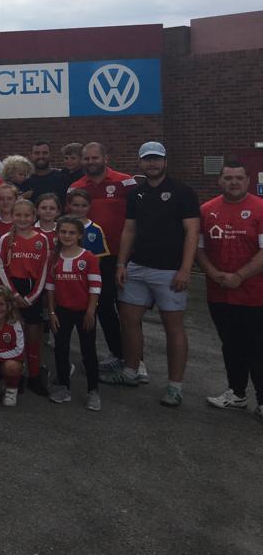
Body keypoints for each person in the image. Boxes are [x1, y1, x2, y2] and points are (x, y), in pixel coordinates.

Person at [111, 142, 200, 407]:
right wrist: (121, 264)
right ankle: (130, 371)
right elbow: (129, 231)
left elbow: (192, 233)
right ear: (140, 163)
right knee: (128, 320)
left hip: (170, 271)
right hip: (137, 267)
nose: (152, 164)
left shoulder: (183, 192)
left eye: (156, 160)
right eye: (147, 160)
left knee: (173, 328)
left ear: (165, 161)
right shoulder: (136, 194)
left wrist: (186, 269)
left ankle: (175, 386)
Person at [197, 159, 263, 419]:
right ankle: (236, 393)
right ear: (220, 180)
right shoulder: (207, 210)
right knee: (231, 345)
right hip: (219, 293)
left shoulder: (260, 209)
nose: (233, 182)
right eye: (228, 178)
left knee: (257, 346)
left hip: (254, 294)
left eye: (238, 178)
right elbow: (199, 248)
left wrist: (240, 275)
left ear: (247, 181)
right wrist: (213, 274)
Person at [68, 141, 137, 374]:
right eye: (86, 159)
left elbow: (136, 217)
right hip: (89, 258)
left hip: (120, 257)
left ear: (105, 158)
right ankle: (117, 353)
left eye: (95, 158)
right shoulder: (76, 186)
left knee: (127, 310)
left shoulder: (125, 181)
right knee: (101, 308)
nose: (90, 162)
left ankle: (135, 358)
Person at [46, 215, 102, 411]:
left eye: (71, 232)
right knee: (61, 349)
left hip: (84, 312)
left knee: (88, 351)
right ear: (57, 233)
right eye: (63, 232)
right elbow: (50, 287)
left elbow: (95, 287)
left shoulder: (88, 258)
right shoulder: (53, 258)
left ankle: (93, 391)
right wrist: (52, 312)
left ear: (79, 235)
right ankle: (63, 386)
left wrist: (90, 311)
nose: (67, 236)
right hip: (62, 311)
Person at [0, 198, 51, 396]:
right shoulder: (5, 239)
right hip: (11, 290)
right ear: (12, 215)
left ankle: (35, 376)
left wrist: (32, 296)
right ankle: (15, 376)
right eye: (18, 215)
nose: (22, 218)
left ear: (34, 216)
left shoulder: (41, 239)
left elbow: (44, 268)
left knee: (33, 334)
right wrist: (14, 295)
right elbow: (1, 268)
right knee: (14, 334)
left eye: (27, 215)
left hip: (33, 291)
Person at [66, 189, 109, 259]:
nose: (80, 209)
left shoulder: (96, 229)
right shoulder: (60, 226)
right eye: (75, 205)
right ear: (69, 205)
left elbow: (97, 257)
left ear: (89, 206)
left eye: (84, 206)